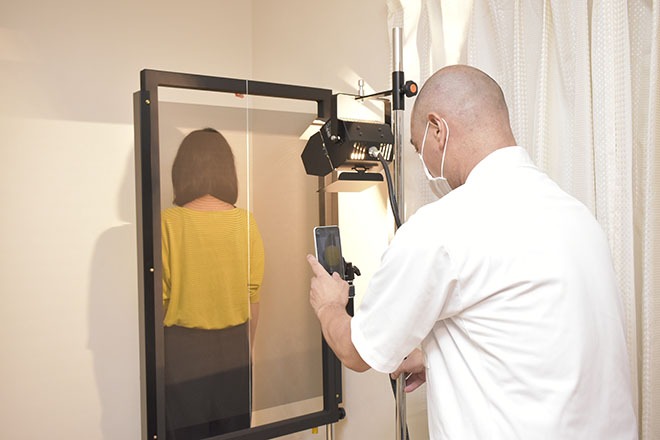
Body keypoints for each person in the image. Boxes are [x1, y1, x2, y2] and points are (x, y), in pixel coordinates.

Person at [307, 65, 637, 439]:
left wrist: (329, 305)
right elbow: (548, 341)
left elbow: (356, 351)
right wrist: (436, 357)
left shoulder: (441, 228)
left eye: (417, 147)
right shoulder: (576, 215)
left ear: (437, 129)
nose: (424, 161)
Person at [162, 128, 265, 439]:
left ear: (182, 170)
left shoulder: (168, 222)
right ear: (226, 171)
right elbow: (253, 297)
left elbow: (161, 301)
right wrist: (246, 351)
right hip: (234, 349)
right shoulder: (245, 222)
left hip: (182, 352)